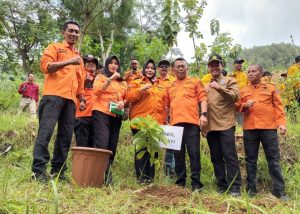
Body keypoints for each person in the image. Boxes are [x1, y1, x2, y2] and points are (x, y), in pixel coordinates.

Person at [32, 20, 86, 182]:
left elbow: (80, 81)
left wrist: (81, 98)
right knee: (45, 133)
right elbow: (45, 66)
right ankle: (38, 171)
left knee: (65, 136)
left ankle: (58, 172)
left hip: (70, 101)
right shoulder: (55, 47)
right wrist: (69, 61)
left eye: (77, 32)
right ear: (63, 32)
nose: (74, 34)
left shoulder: (79, 57)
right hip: (52, 97)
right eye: (71, 31)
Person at [236, 64, 288, 200]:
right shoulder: (243, 90)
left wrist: (281, 124)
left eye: (254, 71)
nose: (251, 73)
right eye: (249, 72)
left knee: (273, 160)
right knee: (250, 160)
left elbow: (278, 107)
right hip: (250, 129)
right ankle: (251, 190)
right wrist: (244, 106)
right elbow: (237, 107)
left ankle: (279, 191)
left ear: (261, 73)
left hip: (268, 128)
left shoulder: (270, 88)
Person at [165, 57, 208, 191]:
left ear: (187, 68)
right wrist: (167, 122)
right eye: (178, 66)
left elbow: (203, 98)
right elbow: (167, 105)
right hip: (175, 125)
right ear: (173, 70)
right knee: (178, 155)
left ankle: (196, 184)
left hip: (192, 124)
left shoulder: (195, 81)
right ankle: (180, 183)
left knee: (194, 153)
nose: (181, 68)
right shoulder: (170, 86)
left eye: (183, 66)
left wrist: (203, 115)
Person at [203, 54, 242, 196]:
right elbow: (202, 104)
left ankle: (235, 187)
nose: (214, 67)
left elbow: (236, 96)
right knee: (216, 157)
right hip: (211, 127)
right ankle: (222, 186)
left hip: (226, 125)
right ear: (208, 68)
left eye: (216, 64)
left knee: (230, 156)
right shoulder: (205, 85)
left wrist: (219, 88)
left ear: (221, 66)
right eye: (211, 65)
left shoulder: (230, 80)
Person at [126, 59, 165, 183]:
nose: (150, 70)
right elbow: (128, 97)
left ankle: (150, 179)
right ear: (143, 69)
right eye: (147, 67)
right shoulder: (136, 82)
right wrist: (141, 89)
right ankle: (141, 178)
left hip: (155, 124)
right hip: (140, 123)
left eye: (152, 68)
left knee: (153, 151)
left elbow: (162, 105)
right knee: (141, 150)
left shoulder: (159, 85)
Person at [92, 55, 127, 183]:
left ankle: (106, 176)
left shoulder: (122, 81)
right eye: (111, 63)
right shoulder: (100, 77)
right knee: (102, 144)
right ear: (107, 65)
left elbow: (125, 96)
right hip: (101, 113)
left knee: (112, 145)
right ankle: (99, 176)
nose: (113, 65)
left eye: (116, 63)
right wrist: (110, 79)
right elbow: (96, 91)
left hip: (116, 115)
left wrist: (123, 102)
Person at [156, 59, 176, 177]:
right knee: (156, 144)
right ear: (158, 69)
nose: (164, 68)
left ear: (169, 69)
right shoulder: (155, 81)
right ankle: (156, 170)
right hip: (157, 118)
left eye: (166, 66)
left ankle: (169, 171)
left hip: (171, 117)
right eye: (161, 66)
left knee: (170, 146)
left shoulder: (174, 81)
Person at [74, 55, 98, 147]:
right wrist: (84, 82)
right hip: (82, 115)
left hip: (96, 116)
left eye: (93, 62)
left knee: (92, 146)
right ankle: (80, 162)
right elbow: (74, 90)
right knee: (82, 145)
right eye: (88, 62)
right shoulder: (79, 75)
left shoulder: (99, 77)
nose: (91, 64)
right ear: (83, 64)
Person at [230, 58, 248, 126]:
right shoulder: (231, 75)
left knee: (243, 112)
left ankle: (242, 126)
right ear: (234, 65)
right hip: (235, 97)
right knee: (235, 112)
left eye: (241, 63)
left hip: (244, 97)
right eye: (238, 63)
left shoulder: (246, 74)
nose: (240, 65)